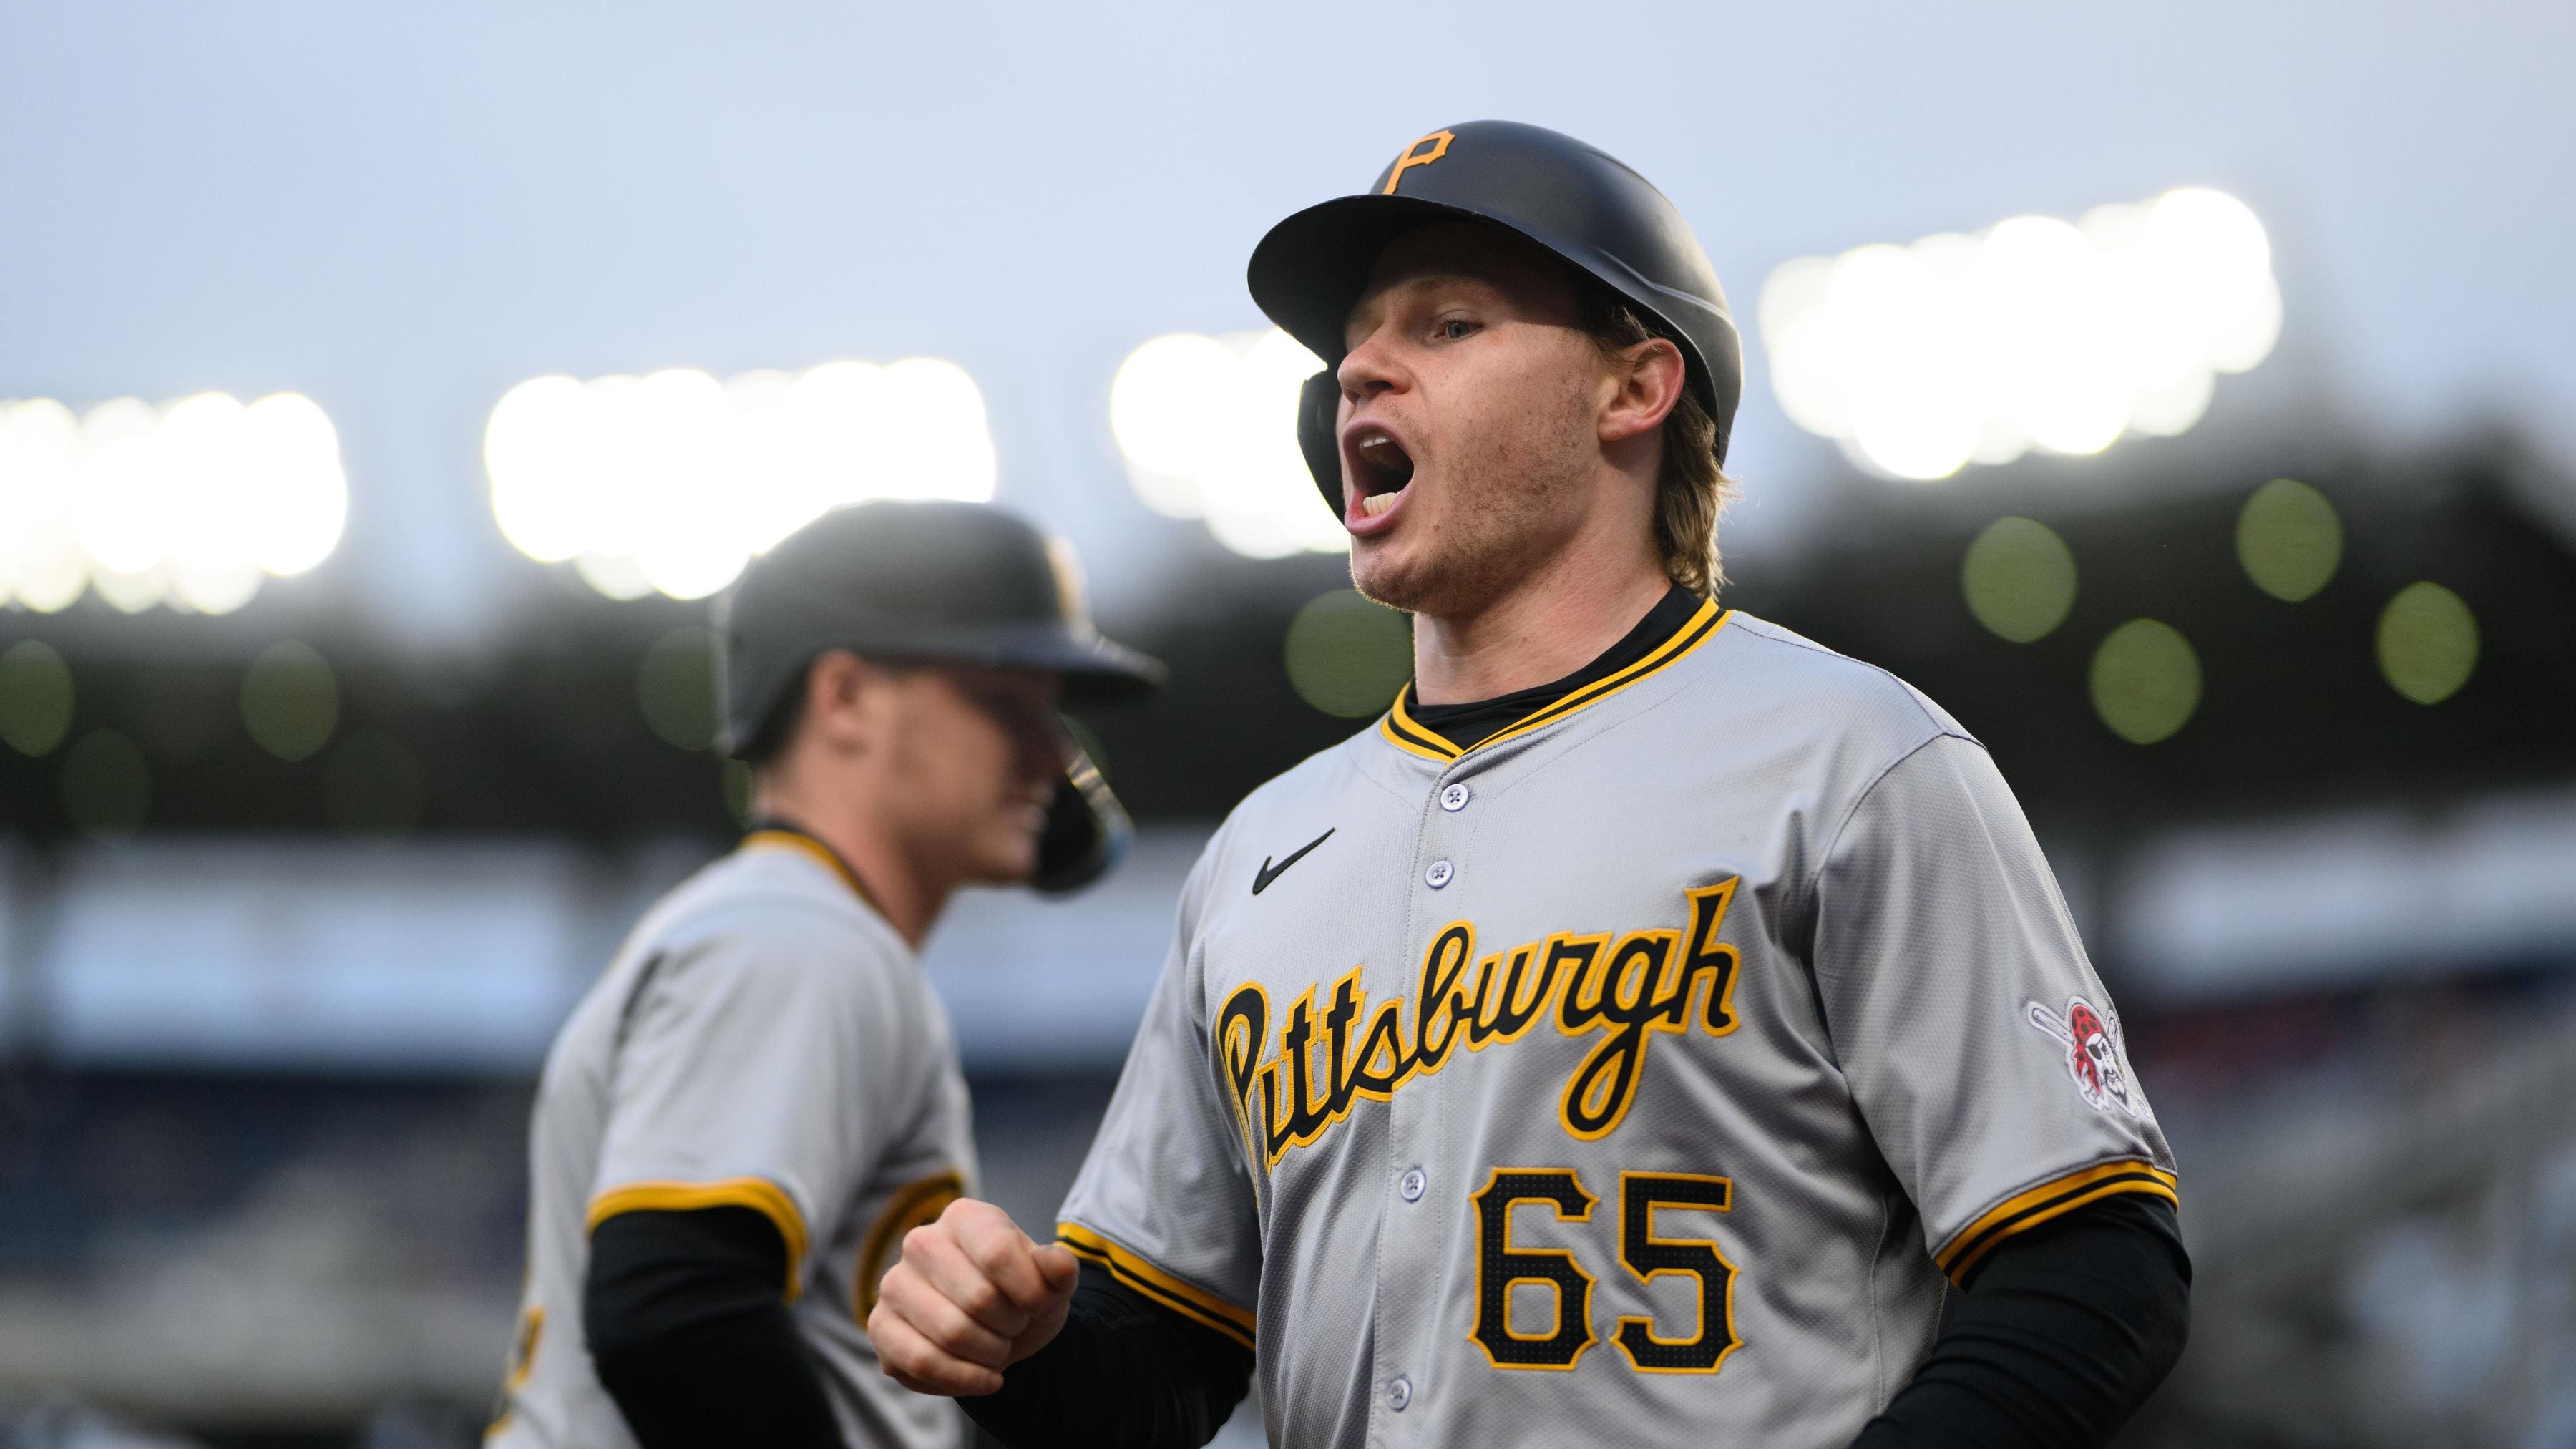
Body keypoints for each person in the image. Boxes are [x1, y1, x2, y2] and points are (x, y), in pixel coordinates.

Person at [868, 122, 2191, 1449]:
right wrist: (1023, 1345)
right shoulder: (1262, 850)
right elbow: (1161, 1355)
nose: (1359, 370)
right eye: (1353, 345)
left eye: (1448, 324)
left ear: (1635, 386)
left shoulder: (1851, 756)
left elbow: (2092, 1259)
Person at [487, 499, 1162, 1449]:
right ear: (842, 697)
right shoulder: (796, 934)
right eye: (1008, 700)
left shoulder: (786, 924)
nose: (1056, 753)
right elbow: (676, 1315)